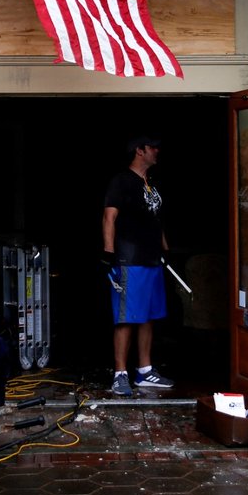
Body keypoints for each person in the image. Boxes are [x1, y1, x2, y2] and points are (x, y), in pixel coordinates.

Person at [101, 135, 175, 396]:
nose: (157, 151)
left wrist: (165, 251)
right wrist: (109, 253)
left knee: (148, 316)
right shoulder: (121, 181)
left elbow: (157, 220)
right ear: (139, 151)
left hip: (152, 260)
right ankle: (120, 374)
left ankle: (144, 371)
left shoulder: (151, 184)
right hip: (129, 261)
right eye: (152, 147)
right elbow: (109, 217)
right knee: (127, 317)